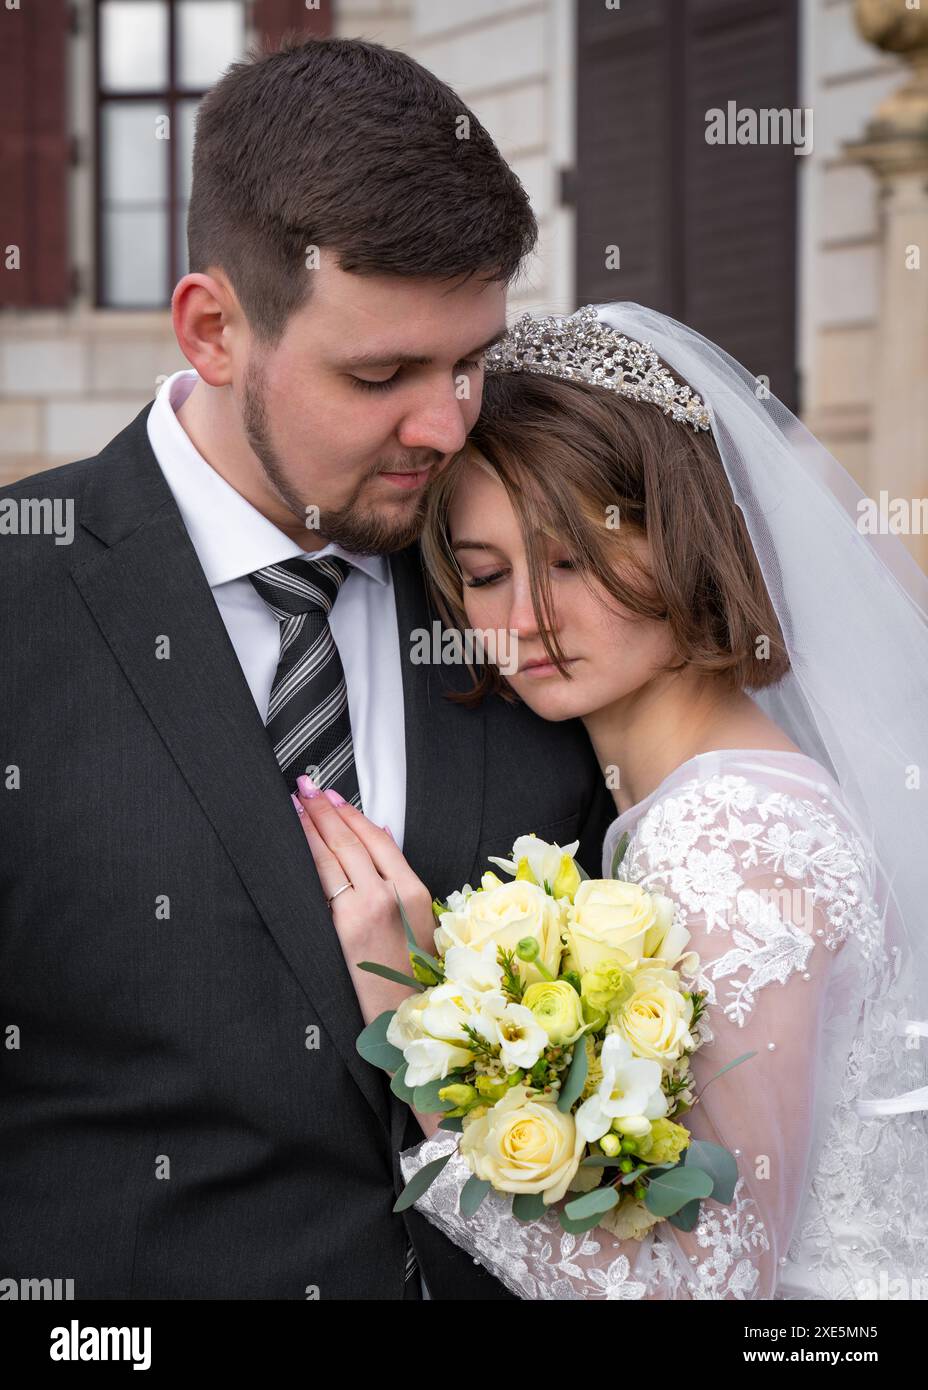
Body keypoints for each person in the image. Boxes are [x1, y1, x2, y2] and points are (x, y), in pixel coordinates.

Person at [0, 39, 619, 1300]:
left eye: (468, 361)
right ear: (214, 328)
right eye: (381, 374)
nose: (446, 425)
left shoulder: (527, 594)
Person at [295, 303, 928, 1299]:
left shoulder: (728, 838)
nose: (527, 618)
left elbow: (704, 1281)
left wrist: (426, 1036)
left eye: (572, 560)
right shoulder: (693, 801)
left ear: (682, 533)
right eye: (486, 574)